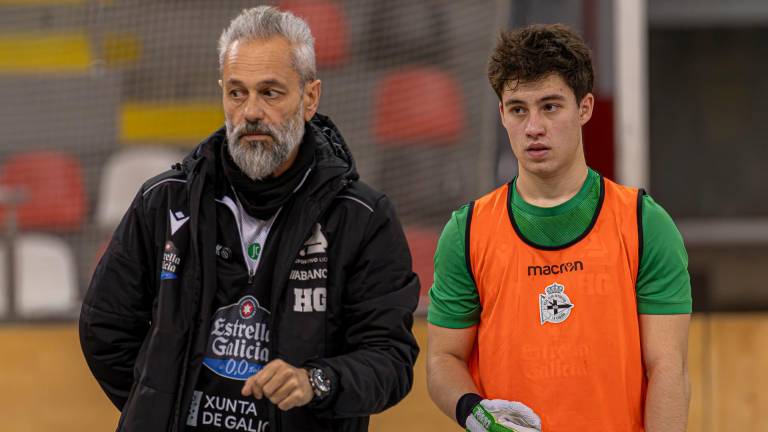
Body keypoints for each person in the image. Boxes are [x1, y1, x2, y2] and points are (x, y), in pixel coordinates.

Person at [79, 6, 420, 432]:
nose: (251, 112)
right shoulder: (164, 200)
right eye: (237, 93)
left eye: (270, 93)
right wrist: (160, 406)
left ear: (310, 97)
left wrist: (315, 381)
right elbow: (105, 328)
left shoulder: (362, 218)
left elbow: (390, 359)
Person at [426, 24, 691, 432]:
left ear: (584, 108)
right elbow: (444, 358)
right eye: (518, 109)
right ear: (501, 114)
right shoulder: (467, 231)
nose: (533, 127)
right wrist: (475, 413)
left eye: (550, 106)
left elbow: (668, 369)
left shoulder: (643, 223)